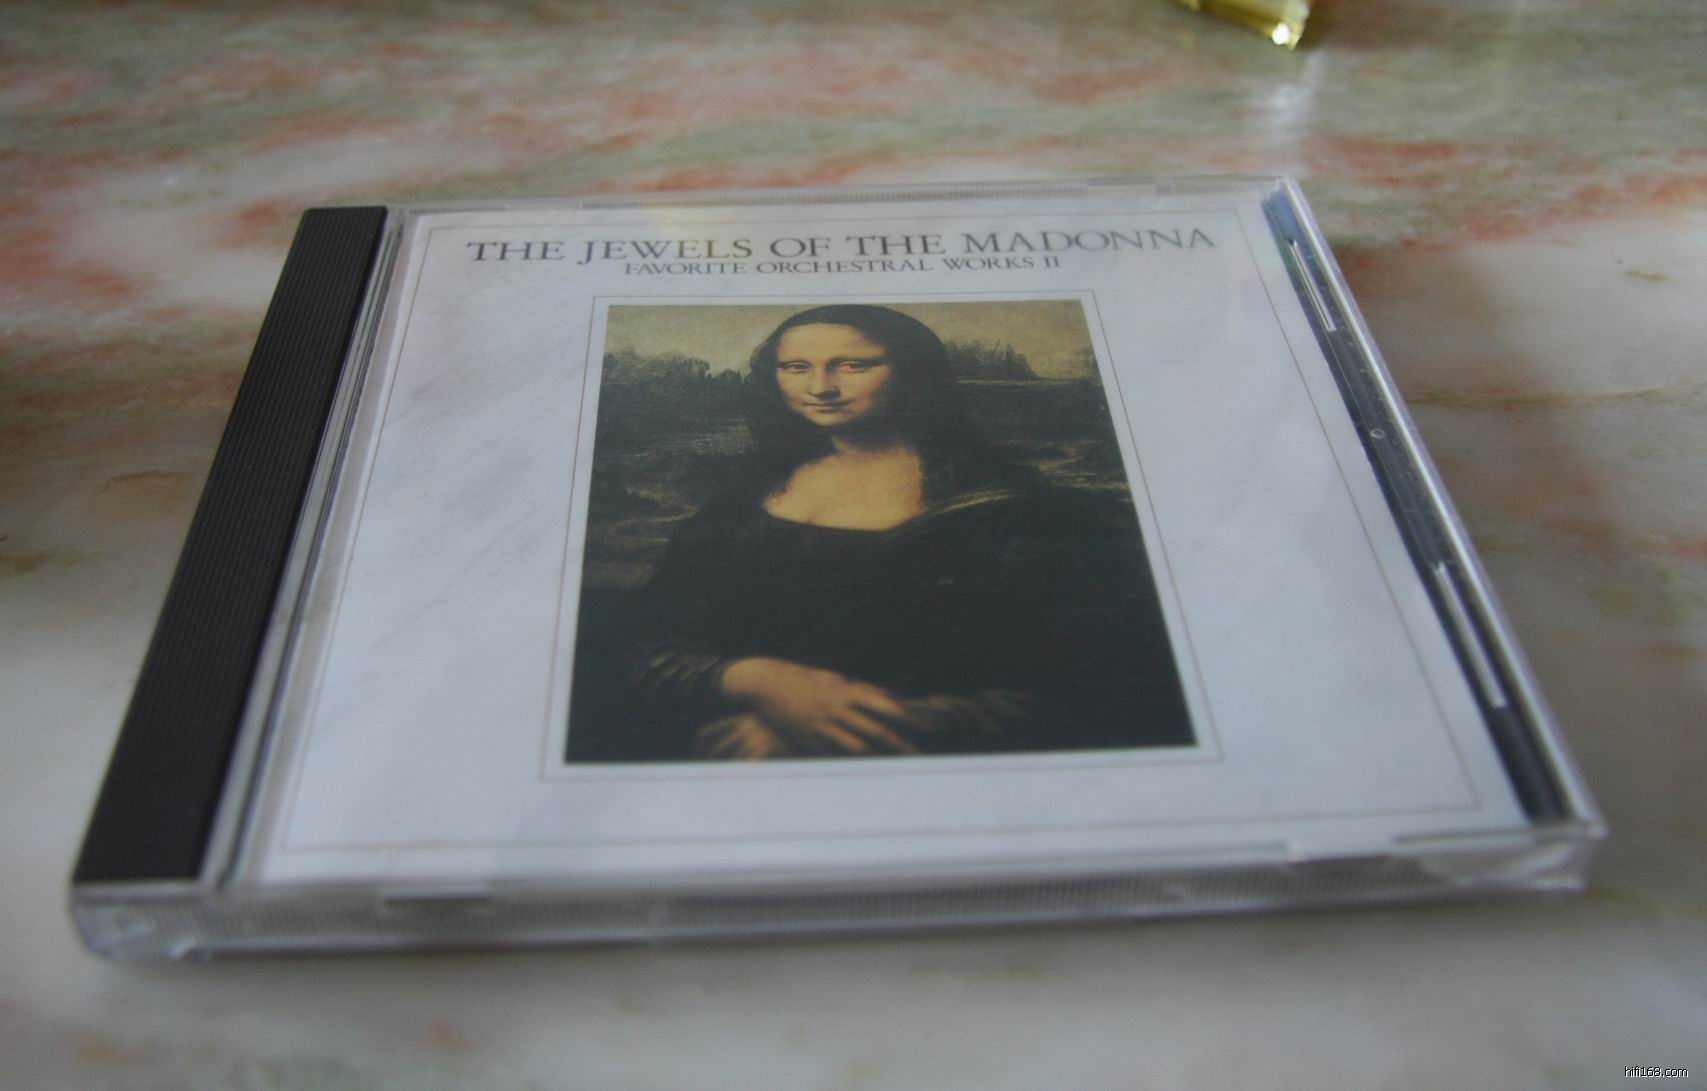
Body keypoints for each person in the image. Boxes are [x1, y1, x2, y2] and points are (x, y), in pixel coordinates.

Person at [602, 304, 1193, 761]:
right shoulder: (746, 501)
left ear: (912, 373)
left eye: (853, 365)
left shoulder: (1006, 511)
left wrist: (818, 732)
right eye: (796, 367)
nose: (821, 386)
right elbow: (652, 642)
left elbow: (1081, 689)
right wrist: (757, 681)